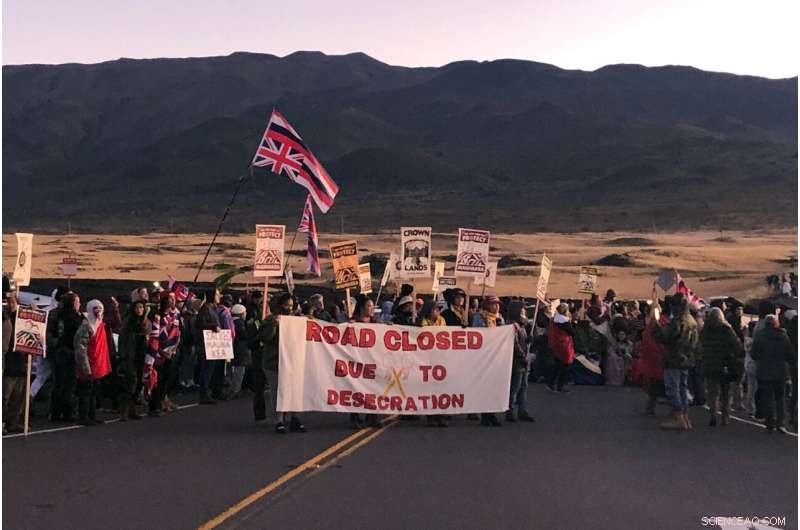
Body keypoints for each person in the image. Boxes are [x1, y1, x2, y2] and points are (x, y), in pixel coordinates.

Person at [258, 292, 305, 434]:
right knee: (278, 391)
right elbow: (266, 338)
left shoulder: (296, 319)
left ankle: (295, 418)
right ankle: (279, 420)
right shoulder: (270, 320)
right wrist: (274, 324)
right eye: (286, 305)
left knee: (294, 390)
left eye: (291, 305)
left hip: (293, 361)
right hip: (274, 362)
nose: (289, 308)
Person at [653, 293, 698, 431]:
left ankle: (678, 416)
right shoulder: (691, 320)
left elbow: (663, 336)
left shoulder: (678, 322)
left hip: (674, 358)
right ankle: (685, 416)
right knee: (683, 388)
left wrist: (655, 325)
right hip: (686, 358)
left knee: (672, 388)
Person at [699, 307, 744, 427]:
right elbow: (737, 345)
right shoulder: (726, 329)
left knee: (712, 392)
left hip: (710, 364)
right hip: (724, 364)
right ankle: (725, 416)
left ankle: (713, 413)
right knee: (725, 391)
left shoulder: (705, 329)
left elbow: (700, 343)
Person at [73, 300, 114, 426]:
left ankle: (92, 415)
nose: (98, 312)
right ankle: (84, 416)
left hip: (97, 365)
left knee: (94, 391)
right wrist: (86, 367)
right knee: (85, 392)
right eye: (96, 309)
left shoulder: (100, 324)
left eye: (100, 309)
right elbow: (80, 347)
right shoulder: (86, 326)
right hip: (87, 365)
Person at [751, 315, 793, 434]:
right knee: (780, 398)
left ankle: (770, 422)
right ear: (776, 324)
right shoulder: (783, 336)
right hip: (780, 371)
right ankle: (781, 423)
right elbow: (790, 354)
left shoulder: (760, 336)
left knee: (767, 397)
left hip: (764, 371)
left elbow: (754, 354)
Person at [49, 292, 83, 423]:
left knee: (59, 382)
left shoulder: (58, 315)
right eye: (78, 302)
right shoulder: (76, 318)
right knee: (69, 384)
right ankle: (67, 412)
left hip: (60, 351)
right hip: (69, 351)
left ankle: (56, 413)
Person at [472, 295, 504, 427]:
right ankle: (486, 414)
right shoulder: (479, 318)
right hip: (484, 357)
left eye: (497, 304)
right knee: (485, 386)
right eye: (493, 304)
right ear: (486, 306)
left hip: (497, 357)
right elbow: (479, 335)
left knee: (494, 387)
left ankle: (492, 413)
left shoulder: (499, 318)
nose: (496, 307)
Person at [418, 300, 450, 427]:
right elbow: (425, 334)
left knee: (441, 388)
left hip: (440, 358)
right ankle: (431, 416)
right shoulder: (423, 321)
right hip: (427, 359)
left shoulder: (442, 320)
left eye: (438, 309)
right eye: (434, 309)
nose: (437, 312)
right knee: (429, 389)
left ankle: (440, 415)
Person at [117, 299, 147, 420]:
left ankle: (132, 409)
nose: (139, 310)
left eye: (141, 307)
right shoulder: (129, 323)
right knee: (130, 384)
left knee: (139, 383)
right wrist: (123, 356)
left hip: (140, 356)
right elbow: (123, 341)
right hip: (130, 357)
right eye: (137, 307)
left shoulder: (143, 323)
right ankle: (124, 411)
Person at [506, 300, 534, 423]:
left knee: (523, 387)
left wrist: (529, 339)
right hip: (517, 361)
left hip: (523, 360)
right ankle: (510, 410)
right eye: (522, 311)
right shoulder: (513, 326)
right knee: (515, 387)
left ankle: (522, 410)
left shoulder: (522, 326)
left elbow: (523, 342)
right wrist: (522, 357)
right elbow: (515, 344)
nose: (524, 313)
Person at [3, 294, 26, 433]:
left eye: (13, 302)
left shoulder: (22, 318)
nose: (10, 304)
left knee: (17, 396)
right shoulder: (5, 317)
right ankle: (3, 422)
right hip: (8, 361)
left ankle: (13, 422)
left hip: (19, 361)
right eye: (8, 302)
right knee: (5, 396)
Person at [196, 289, 223, 404]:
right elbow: (200, 323)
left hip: (212, 344)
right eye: (217, 294)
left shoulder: (213, 308)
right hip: (207, 344)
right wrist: (213, 326)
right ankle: (204, 394)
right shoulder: (206, 308)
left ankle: (209, 392)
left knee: (211, 369)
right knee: (206, 369)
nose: (219, 296)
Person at [547, 303, 575, 394]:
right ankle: (560, 385)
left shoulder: (554, 320)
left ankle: (551, 382)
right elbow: (571, 332)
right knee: (565, 366)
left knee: (558, 365)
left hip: (556, 344)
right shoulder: (564, 322)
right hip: (563, 345)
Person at [230, 304, 252, 398]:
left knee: (234, 371)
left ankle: (235, 389)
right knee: (239, 371)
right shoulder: (240, 323)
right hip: (240, 350)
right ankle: (236, 390)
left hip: (234, 348)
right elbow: (244, 336)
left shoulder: (231, 321)